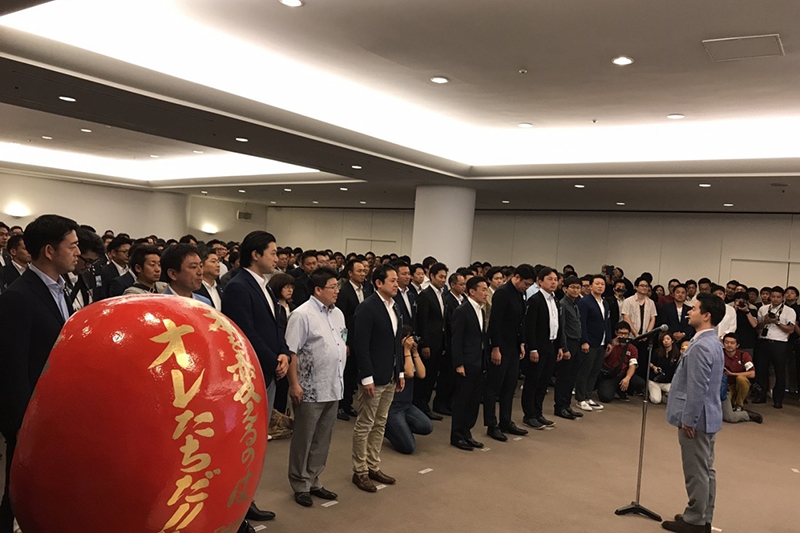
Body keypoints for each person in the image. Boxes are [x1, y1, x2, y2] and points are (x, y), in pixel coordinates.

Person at [0, 214, 80, 533]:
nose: (77, 252)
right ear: (49, 250)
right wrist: (21, 426)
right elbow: (12, 368)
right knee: (17, 492)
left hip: (55, 410)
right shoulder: (18, 297)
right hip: (30, 415)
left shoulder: (61, 289)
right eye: (72, 246)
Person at [222, 231, 291, 528]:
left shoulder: (263, 285)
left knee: (258, 441)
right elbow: (245, 332)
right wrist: (272, 359)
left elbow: (275, 327)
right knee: (246, 441)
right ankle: (237, 505)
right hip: (254, 371)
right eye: (272, 253)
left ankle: (247, 500)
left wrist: (283, 352)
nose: (277, 258)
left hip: (270, 367)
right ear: (255, 254)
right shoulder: (238, 287)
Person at [661, 293, 726, 533]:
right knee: (706, 469)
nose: (689, 311)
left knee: (696, 471)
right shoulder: (713, 341)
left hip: (697, 419)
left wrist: (689, 419)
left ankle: (695, 520)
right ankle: (703, 515)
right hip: (709, 414)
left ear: (706, 315)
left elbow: (697, 387)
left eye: (695, 308)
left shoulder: (701, 346)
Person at [285, 267, 346, 507]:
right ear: (318, 290)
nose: (337, 291)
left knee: (323, 438)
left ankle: (314, 479)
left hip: (333, 384)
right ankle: (300, 483)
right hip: (309, 388)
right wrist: (294, 384)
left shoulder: (338, 314)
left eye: (338, 286)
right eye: (333, 287)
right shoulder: (302, 314)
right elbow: (291, 352)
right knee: (304, 438)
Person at [351, 264, 405, 493]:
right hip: (373, 376)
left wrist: (400, 372)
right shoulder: (367, 307)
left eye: (397, 280)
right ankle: (360, 470)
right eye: (392, 280)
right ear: (379, 283)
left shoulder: (395, 306)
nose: (396, 284)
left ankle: (373, 465)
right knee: (365, 423)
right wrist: (366, 377)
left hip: (390, 374)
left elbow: (397, 342)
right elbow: (360, 345)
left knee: (380, 422)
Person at [484, 264, 534, 442]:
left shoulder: (520, 293)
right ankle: (492, 424)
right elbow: (495, 323)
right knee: (494, 387)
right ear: (517, 277)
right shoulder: (502, 293)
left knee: (510, 385)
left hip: (513, 346)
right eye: (526, 284)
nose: (527, 287)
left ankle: (506, 421)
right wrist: (495, 347)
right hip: (500, 346)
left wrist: (522, 343)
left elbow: (521, 321)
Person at [450, 276, 490, 451]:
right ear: (472, 291)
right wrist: (458, 363)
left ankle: (467, 432)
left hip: (479, 362)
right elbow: (456, 339)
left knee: (474, 401)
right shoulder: (462, 310)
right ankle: (457, 435)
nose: (486, 293)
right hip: (466, 363)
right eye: (483, 289)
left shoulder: (481, 310)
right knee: (462, 400)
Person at [521, 267, 563, 429]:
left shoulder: (555, 300)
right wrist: (532, 348)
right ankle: (529, 414)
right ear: (539, 281)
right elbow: (529, 327)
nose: (553, 282)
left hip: (551, 345)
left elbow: (558, 325)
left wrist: (560, 346)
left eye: (555, 279)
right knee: (533, 381)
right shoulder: (535, 300)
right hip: (538, 346)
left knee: (544, 382)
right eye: (549, 279)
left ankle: (538, 412)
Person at [384, 326, 432, 454]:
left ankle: (398, 429)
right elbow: (409, 373)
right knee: (408, 447)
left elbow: (422, 374)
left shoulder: (409, 355)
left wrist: (415, 352)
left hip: (406, 405)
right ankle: (386, 427)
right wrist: (406, 350)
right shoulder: (393, 355)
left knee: (427, 427)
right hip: (393, 407)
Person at [336, 258, 370, 421]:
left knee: (353, 375)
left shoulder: (366, 290)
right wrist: (344, 342)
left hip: (361, 338)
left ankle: (348, 403)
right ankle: (340, 406)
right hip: (348, 339)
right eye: (359, 271)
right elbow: (341, 319)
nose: (363, 273)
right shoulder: (344, 291)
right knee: (345, 374)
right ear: (350, 273)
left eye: (364, 271)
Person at [414, 262, 448, 420]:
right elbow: (422, 322)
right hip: (429, 342)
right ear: (432, 276)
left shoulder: (442, 294)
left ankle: (425, 404)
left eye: (445, 277)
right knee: (425, 376)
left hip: (439, 341)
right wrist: (425, 344)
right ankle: (420, 405)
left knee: (433, 374)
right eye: (440, 276)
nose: (443, 280)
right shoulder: (425, 295)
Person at [753, 286, 795, 408]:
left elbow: (791, 329)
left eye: (778, 297)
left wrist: (777, 322)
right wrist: (765, 321)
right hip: (763, 341)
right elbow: (757, 326)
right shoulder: (763, 309)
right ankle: (761, 395)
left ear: (782, 298)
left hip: (779, 343)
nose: (775, 299)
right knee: (761, 370)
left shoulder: (789, 311)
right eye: (773, 296)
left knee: (779, 372)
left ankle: (778, 399)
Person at [575, 274, 612, 412]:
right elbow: (582, 323)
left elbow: (607, 322)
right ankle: (580, 399)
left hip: (601, 342)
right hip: (589, 342)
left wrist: (608, 340)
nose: (600, 286)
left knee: (595, 371)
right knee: (585, 371)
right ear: (590, 286)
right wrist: (584, 341)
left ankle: (588, 396)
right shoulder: (584, 302)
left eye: (602, 284)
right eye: (597, 283)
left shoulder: (605, 302)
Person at [554, 275, 584, 420]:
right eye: (572, 287)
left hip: (576, 343)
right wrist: (564, 348)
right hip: (568, 343)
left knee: (571, 377)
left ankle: (567, 405)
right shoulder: (563, 304)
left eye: (578, 288)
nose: (576, 290)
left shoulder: (575, 303)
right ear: (565, 288)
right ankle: (560, 406)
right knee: (564, 377)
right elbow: (562, 328)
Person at [268, 272, 297, 416]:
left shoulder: (293, 306)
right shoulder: (273, 306)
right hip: (279, 349)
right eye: (286, 287)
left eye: (292, 287)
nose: (290, 290)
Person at [597, 322, 646, 403]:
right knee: (605, 397)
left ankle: (622, 390)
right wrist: (612, 346)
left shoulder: (632, 348)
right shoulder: (609, 343)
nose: (623, 336)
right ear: (616, 333)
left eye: (626, 334)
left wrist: (627, 378)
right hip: (610, 374)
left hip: (623, 373)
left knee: (640, 383)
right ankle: (609, 388)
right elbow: (601, 357)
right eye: (621, 333)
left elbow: (632, 365)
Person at [721, 333, 754, 411]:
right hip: (725, 386)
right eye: (726, 342)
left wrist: (732, 374)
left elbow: (752, 374)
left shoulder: (744, 355)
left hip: (738, 384)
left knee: (741, 379)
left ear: (737, 345)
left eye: (732, 343)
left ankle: (739, 405)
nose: (729, 345)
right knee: (726, 406)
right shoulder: (719, 354)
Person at [94, 235, 131, 300]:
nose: (128, 255)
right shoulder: (104, 271)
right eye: (125, 252)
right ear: (113, 253)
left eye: (130, 252)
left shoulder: (131, 270)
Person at [648, 331, 681, 405]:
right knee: (656, 400)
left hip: (668, 381)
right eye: (663, 339)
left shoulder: (676, 353)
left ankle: (664, 394)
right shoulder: (657, 352)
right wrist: (654, 367)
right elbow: (649, 362)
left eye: (668, 339)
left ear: (672, 341)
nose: (666, 341)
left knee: (675, 394)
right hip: (655, 380)